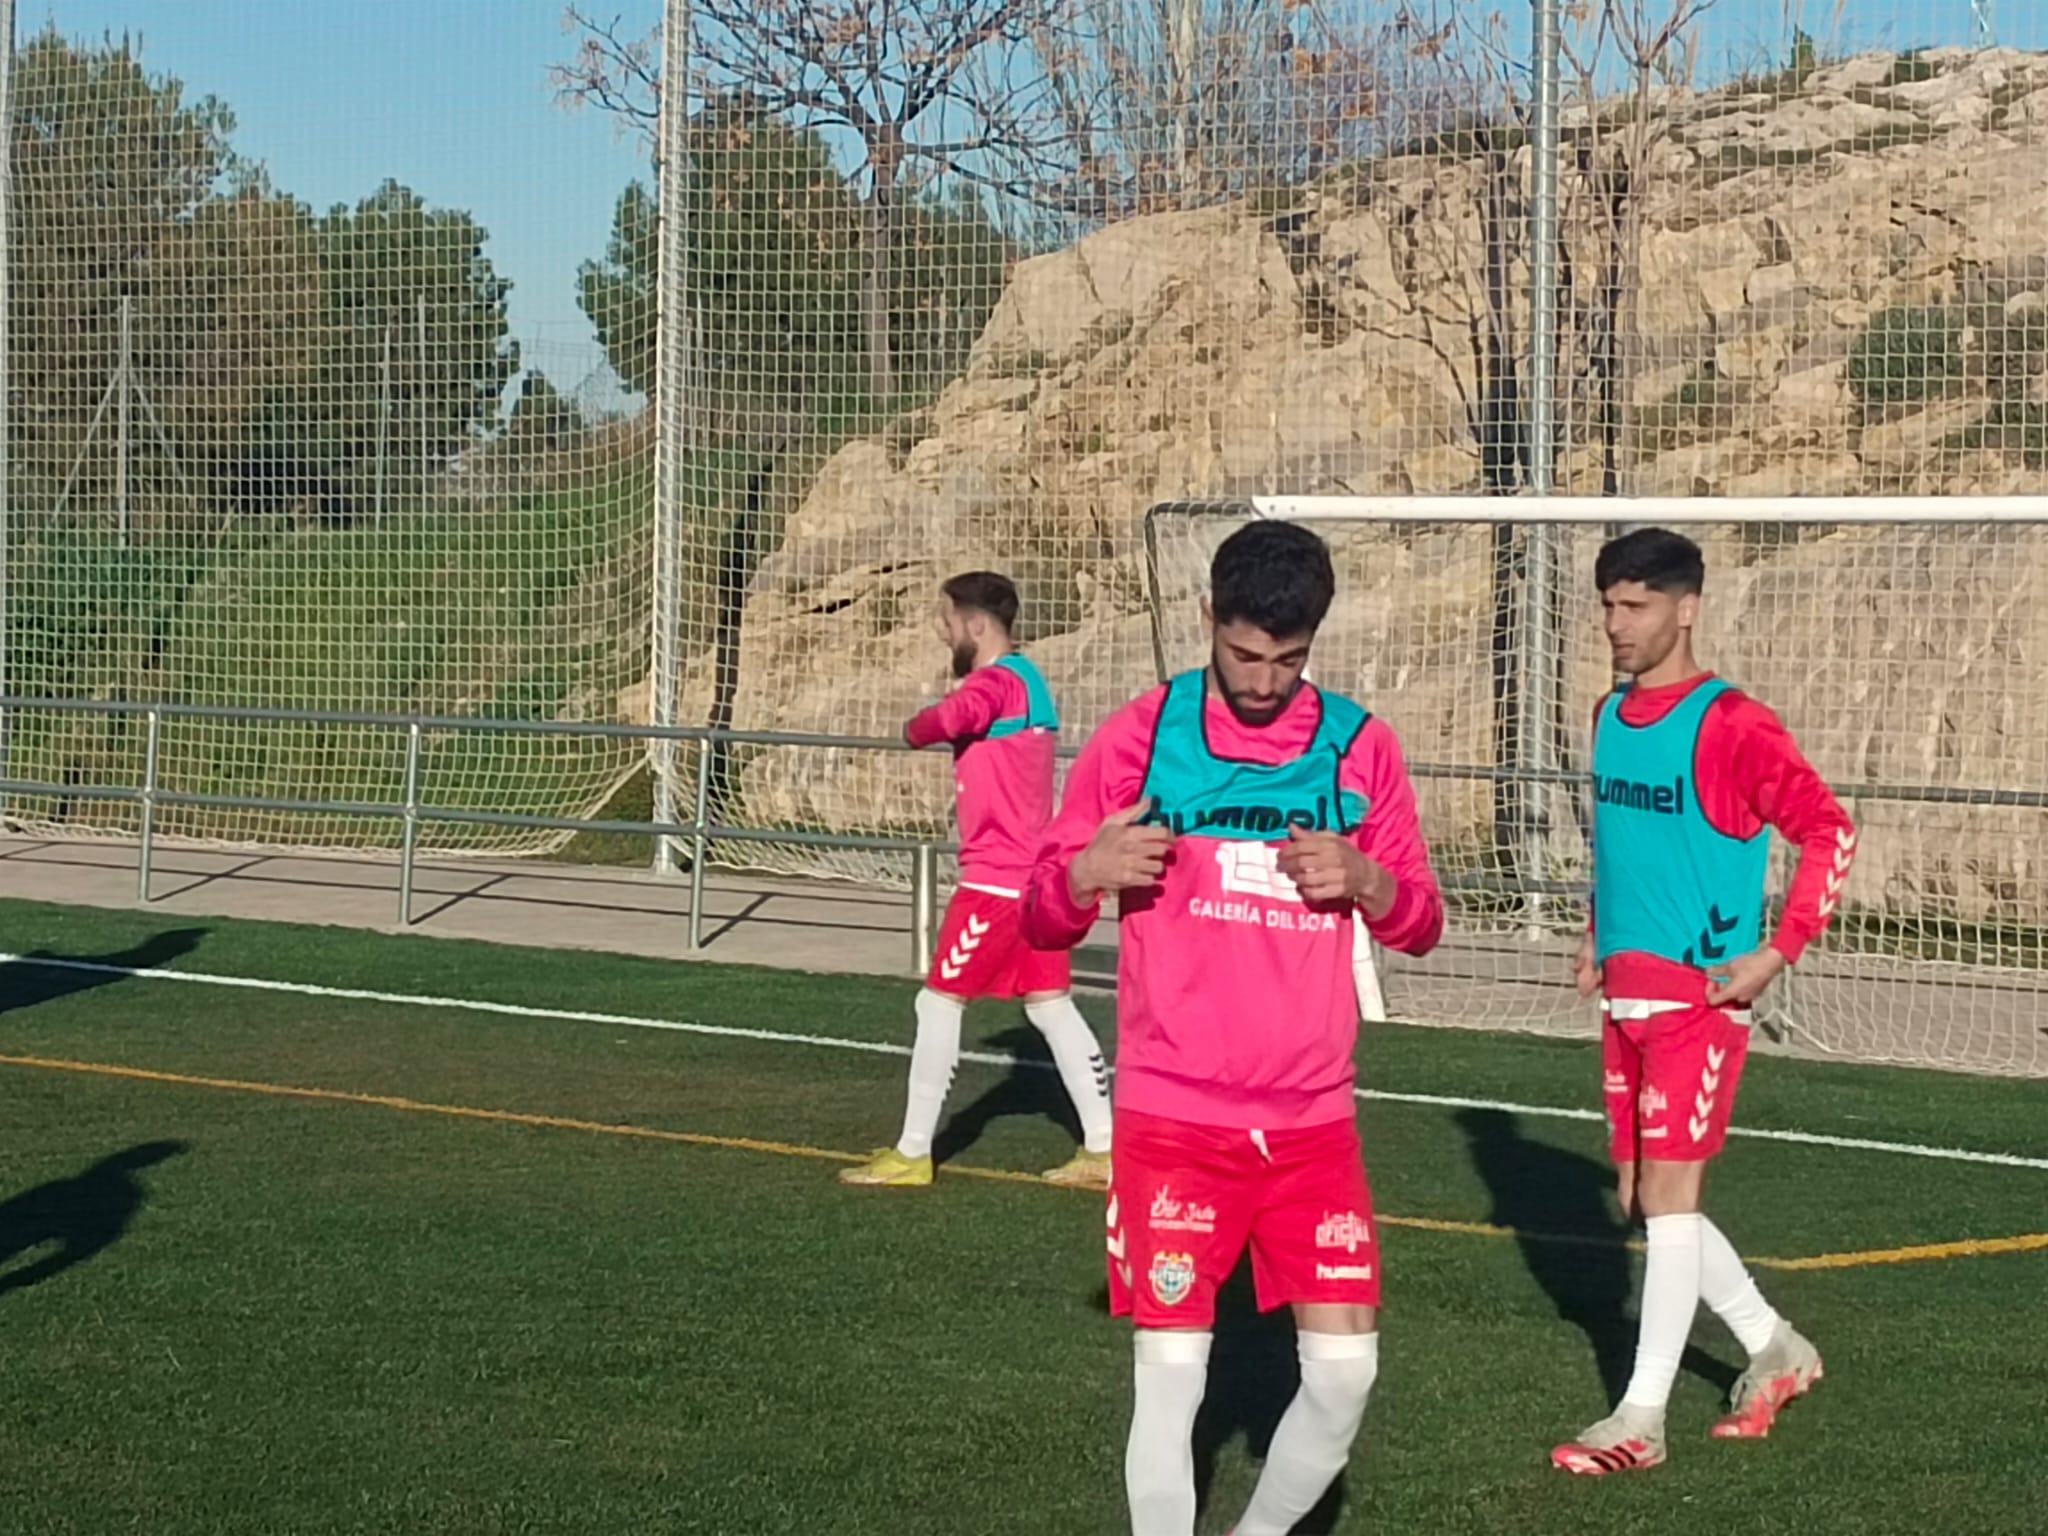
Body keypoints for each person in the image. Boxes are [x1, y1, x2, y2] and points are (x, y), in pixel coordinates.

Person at [1023, 521, 1444, 1536]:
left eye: (1288, 661)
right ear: (1208, 619)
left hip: (1309, 1127)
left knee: (1344, 1380)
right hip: (1173, 1118)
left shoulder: (1357, 746)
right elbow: (1038, 912)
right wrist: (1085, 874)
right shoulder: (1138, 738)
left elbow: (1422, 921)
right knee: (1170, 1389)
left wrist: (1368, 880)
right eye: (1245, 654)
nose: (1263, 682)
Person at [1552, 526, 1856, 1475]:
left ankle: (1640, 1422)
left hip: (1702, 997)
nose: (1615, 624)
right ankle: (1775, 1345)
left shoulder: (1733, 724)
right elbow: (1621, 846)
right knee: (1645, 1201)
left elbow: (1828, 830)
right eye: (1607, 604)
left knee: (1673, 1203)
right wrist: (1600, 933)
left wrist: (1777, 953)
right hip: (1628, 996)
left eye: (1634, 606)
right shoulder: (1607, 714)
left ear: (1686, 608)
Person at [839, 571, 1114, 1190]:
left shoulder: (996, 683)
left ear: (976, 625)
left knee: (937, 1001)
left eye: (948, 622)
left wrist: (920, 723)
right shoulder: (1030, 681)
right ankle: (1104, 1145)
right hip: (1034, 877)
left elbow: (943, 721)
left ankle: (913, 1152)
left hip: (997, 882)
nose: (944, 633)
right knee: (1050, 1008)